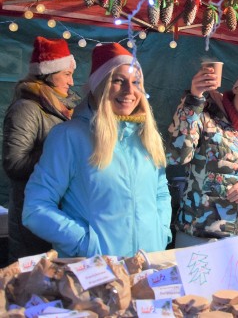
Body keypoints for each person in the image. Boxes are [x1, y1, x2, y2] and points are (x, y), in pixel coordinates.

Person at [22, 43, 171, 257]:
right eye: (118, 81)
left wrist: (161, 232)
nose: (130, 91)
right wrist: (86, 244)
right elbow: (36, 209)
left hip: (148, 266)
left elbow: (160, 193)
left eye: (136, 82)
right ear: (98, 85)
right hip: (96, 274)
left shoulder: (148, 136)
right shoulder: (69, 136)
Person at [167, 62, 238, 247]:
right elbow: (177, 155)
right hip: (198, 235)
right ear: (237, 87)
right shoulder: (205, 118)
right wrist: (194, 98)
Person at [2, 37, 80, 262]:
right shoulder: (26, 109)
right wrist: (59, 151)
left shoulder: (68, 107)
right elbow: (14, 165)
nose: (72, 82)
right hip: (33, 220)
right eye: (66, 74)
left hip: (63, 214)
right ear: (47, 73)